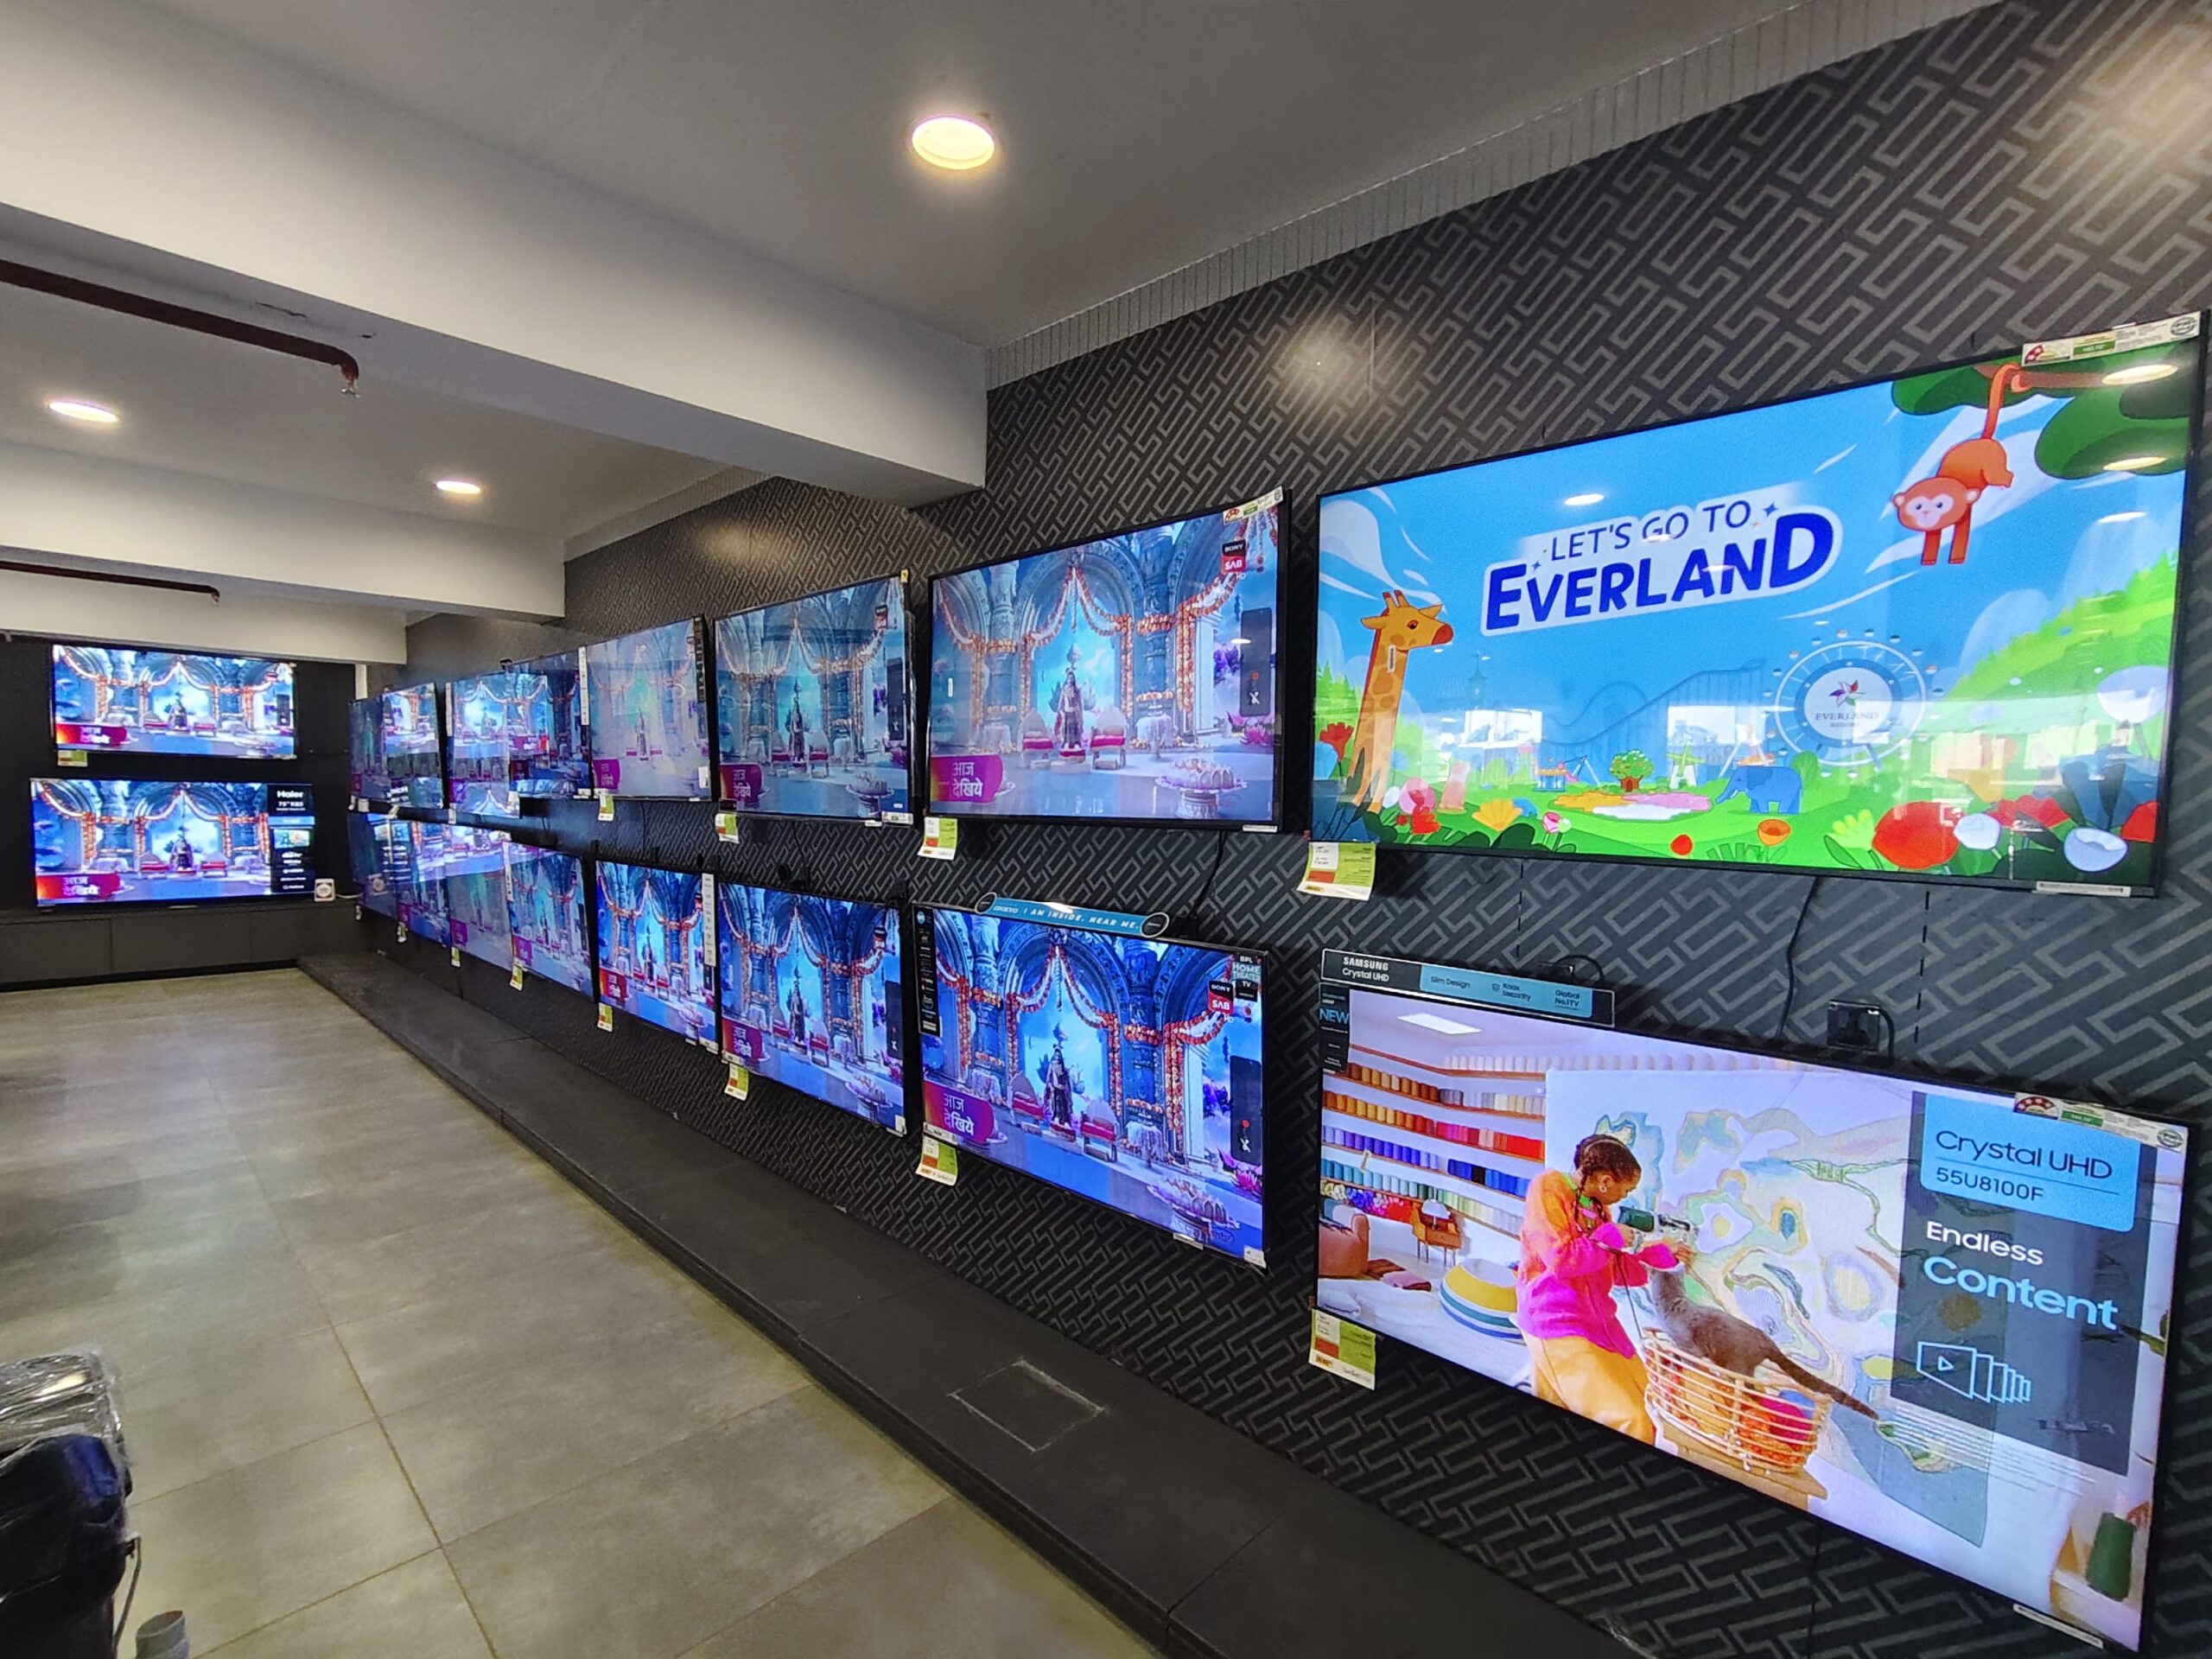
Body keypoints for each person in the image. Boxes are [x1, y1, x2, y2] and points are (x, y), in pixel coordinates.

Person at [1517, 1133, 1681, 1443]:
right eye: (1626, 1190)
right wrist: (1609, 1237)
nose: (1624, 1196)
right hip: (1556, 1320)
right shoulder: (1548, 1187)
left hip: (1597, 1322)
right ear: (1606, 1181)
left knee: (1651, 1403)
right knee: (1633, 1420)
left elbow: (1610, 1269)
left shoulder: (1598, 1210)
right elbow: (1561, 1259)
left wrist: (1657, 1256)